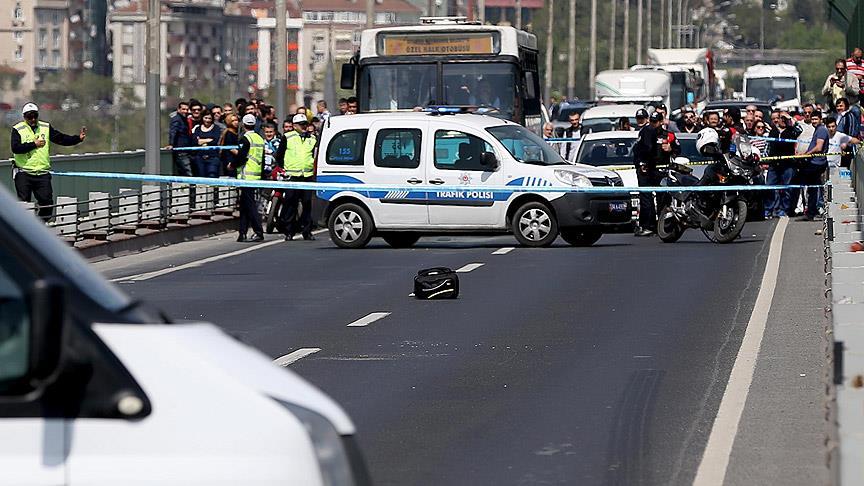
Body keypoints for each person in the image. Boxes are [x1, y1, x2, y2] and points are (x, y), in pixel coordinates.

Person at [9, 102, 86, 220]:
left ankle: (39, 226)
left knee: (47, 205)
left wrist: (77, 138)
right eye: (30, 116)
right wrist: (34, 144)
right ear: (24, 117)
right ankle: (27, 230)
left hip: (42, 173)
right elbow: (16, 148)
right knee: (24, 205)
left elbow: (61, 139)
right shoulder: (17, 129)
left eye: (35, 115)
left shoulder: (45, 127)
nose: (33, 119)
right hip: (24, 173)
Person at [632, 111, 679, 236]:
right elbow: (638, 150)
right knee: (646, 197)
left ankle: (663, 225)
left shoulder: (668, 135)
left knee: (663, 198)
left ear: (661, 122)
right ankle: (648, 226)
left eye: (656, 121)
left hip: (661, 170)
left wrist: (670, 149)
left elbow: (678, 150)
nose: (653, 124)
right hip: (647, 170)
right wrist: (641, 164)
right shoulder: (645, 132)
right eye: (652, 121)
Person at [277, 113, 317, 241]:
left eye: (305, 124)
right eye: (301, 124)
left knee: (307, 203)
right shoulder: (287, 137)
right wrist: (285, 169)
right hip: (292, 176)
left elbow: (314, 156)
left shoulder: (313, 138)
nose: (304, 126)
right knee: (291, 203)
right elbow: (279, 155)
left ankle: (307, 231)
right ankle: (289, 231)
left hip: (307, 175)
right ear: (294, 126)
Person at [228, 114, 265, 242]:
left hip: (246, 176)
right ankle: (242, 233)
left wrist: (232, 165)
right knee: (244, 205)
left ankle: (258, 231)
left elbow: (242, 157)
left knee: (249, 205)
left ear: (243, 125)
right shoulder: (259, 139)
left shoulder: (245, 139)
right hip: (256, 175)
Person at [764, 111, 802, 218]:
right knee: (769, 187)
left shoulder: (792, 131)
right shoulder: (773, 131)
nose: (783, 120)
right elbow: (768, 146)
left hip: (787, 164)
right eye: (781, 118)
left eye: (785, 119)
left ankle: (783, 210)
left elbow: (800, 129)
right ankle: (768, 210)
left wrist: (790, 119)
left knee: (786, 189)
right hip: (774, 164)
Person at [798, 111, 830, 220]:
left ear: (820, 119)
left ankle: (812, 212)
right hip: (814, 162)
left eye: (816, 119)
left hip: (817, 163)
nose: (814, 121)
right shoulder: (818, 129)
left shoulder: (821, 130)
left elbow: (819, 147)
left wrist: (806, 154)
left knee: (813, 189)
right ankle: (812, 211)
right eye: (812, 119)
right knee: (813, 188)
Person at [192, 109, 223, 178]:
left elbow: (215, 141)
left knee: (212, 176)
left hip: (213, 157)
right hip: (200, 157)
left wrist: (201, 140)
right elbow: (195, 141)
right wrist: (208, 140)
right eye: (206, 118)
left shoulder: (216, 128)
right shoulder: (198, 128)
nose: (207, 120)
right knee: (201, 177)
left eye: (209, 118)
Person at [167, 101, 194, 176]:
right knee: (188, 171)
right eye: (183, 109)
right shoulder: (177, 119)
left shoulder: (184, 119)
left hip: (186, 149)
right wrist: (171, 144)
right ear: (178, 109)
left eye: (186, 109)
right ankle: (191, 187)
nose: (185, 111)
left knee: (186, 171)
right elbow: (173, 132)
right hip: (180, 150)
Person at [218, 113, 240, 178]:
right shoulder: (229, 133)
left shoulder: (236, 132)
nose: (236, 122)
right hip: (229, 160)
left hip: (235, 159)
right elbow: (230, 148)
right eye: (233, 121)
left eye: (236, 120)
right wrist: (242, 154)